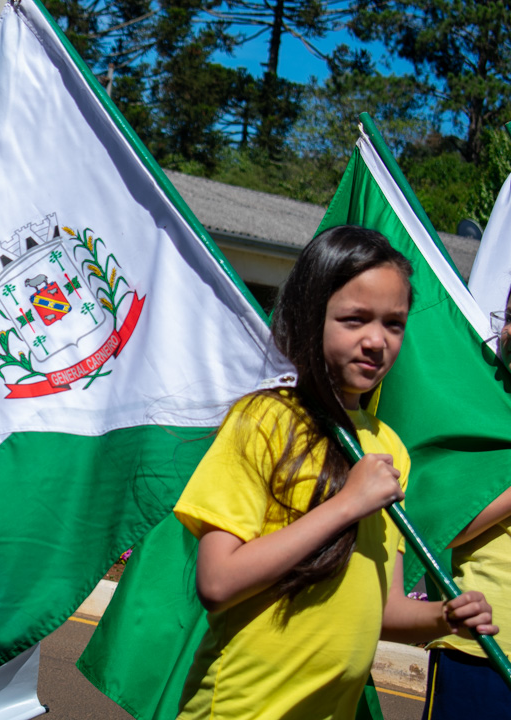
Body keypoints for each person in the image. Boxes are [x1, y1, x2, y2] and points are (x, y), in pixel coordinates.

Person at [172, 225, 497, 720]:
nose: (376, 341)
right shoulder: (266, 420)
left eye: (394, 323)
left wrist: (443, 618)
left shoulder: (388, 451)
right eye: (354, 319)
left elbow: (382, 611)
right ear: (310, 315)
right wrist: (348, 503)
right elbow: (217, 582)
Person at [421, 283, 511, 718]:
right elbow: (445, 526)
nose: (509, 331)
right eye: (508, 316)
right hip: (485, 648)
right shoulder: (482, 414)